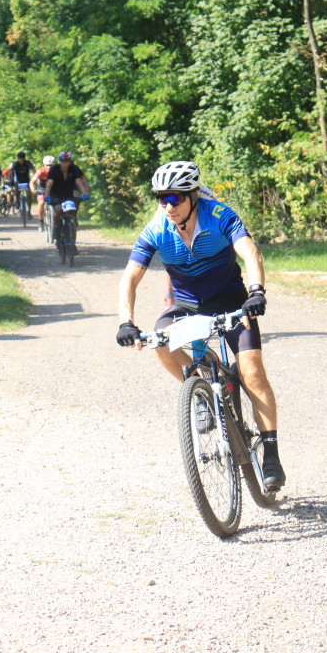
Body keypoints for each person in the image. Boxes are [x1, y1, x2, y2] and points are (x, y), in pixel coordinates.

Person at [115, 160, 285, 491]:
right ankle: (202, 390)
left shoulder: (219, 215)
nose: (168, 206)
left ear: (193, 196)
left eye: (175, 198)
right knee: (160, 344)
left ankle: (271, 456)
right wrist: (126, 322)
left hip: (232, 300)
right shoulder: (156, 229)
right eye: (161, 198)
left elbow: (251, 254)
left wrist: (256, 292)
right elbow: (130, 278)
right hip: (187, 305)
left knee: (252, 372)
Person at [44, 150, 90, 251]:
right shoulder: (54, 169)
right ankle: (56, 229)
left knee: (72, 216)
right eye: (62, 161)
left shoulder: (74, 169)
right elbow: (49, 183)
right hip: (56, 194)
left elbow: (79, 182)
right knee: (58, 209)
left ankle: (72, 242)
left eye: (67, 161)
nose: (64, 164)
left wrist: (85, 194)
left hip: (68, 195)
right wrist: (46, 195)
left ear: (70, 162)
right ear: (59, 161)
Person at [6, 152, 35, 219]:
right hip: (18, 180)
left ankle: (29, 211)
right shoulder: (15, 164)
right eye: (19, 159)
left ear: (24, 158)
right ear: (18, 159)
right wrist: (9, 179)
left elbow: (33, 170)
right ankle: (17, 201)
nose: (21, 160)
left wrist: (34, 176)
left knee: (29, 194)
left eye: (22, 159)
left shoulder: (28, 163)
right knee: (16, 189)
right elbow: (10, 172)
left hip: (26, 180)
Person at [32, 155, 54, 232]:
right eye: (47, 165)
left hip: (52, 188)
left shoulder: (57, 171)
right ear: (44, 165)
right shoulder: (40, 171)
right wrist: (32, 188)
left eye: (51, 165)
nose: (49, 167)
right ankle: (41, 221)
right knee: (41, 203)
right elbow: (32, 182)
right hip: (42, 189)